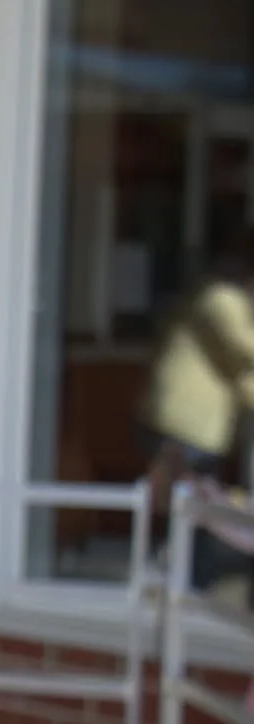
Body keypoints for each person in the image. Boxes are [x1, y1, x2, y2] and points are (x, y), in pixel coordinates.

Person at [138, 227, 254, 591]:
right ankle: (170, 577)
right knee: (188, 503)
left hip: (193, 425)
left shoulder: (223, 301)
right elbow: (244, 350)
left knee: (193, 505)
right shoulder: (220, 299)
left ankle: (177, 576)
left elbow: (240, 375)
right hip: (183, 423)